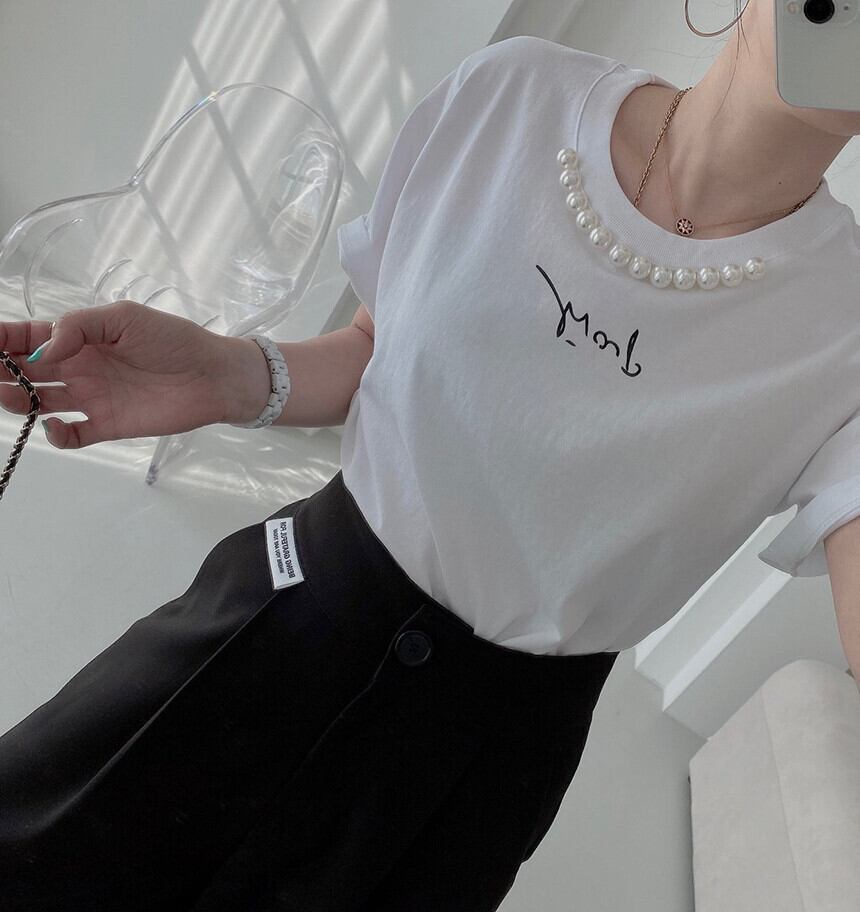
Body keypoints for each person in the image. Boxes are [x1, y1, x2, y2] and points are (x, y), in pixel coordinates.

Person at [1, 0, 859, 908]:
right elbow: (376, 346)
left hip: (473, 776)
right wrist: (227, 372)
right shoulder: (512, 95)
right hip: (281, 614)